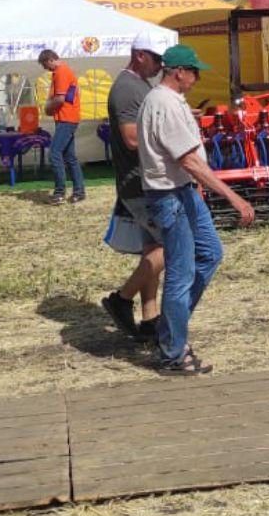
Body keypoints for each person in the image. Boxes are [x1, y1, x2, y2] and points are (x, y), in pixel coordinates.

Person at [138, 44, 256, 375]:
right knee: (181, 273)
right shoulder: (165, 104)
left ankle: (170, 329)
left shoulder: (166, 102)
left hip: (181, 192)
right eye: (194, 71)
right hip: (171, 195)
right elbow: (188, 160)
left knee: (210, 254)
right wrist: (235, 198)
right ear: (178, 72)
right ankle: (172, 352)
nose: (197, 77)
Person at [99, 45, 167, 344]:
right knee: (172, 246)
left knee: (152, 251)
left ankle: (150, 318)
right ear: (140, 55)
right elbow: (131, 138)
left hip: (141, 182)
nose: (160, 65)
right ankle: (122, 299)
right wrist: (171, 137)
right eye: (157, 59)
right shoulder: (127, 88)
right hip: (140, 184)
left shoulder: (138, 84)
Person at [37, 49, 85, 203]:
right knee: (70, 157)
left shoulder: (61, 72)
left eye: (45, 65)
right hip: (68, 118)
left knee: (54, 153)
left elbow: (60, 99)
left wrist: (47, 109)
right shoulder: (64, 71)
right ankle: (79, 191)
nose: (45, 68)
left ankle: (59, 193)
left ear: (51, 59)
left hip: (66, 119)